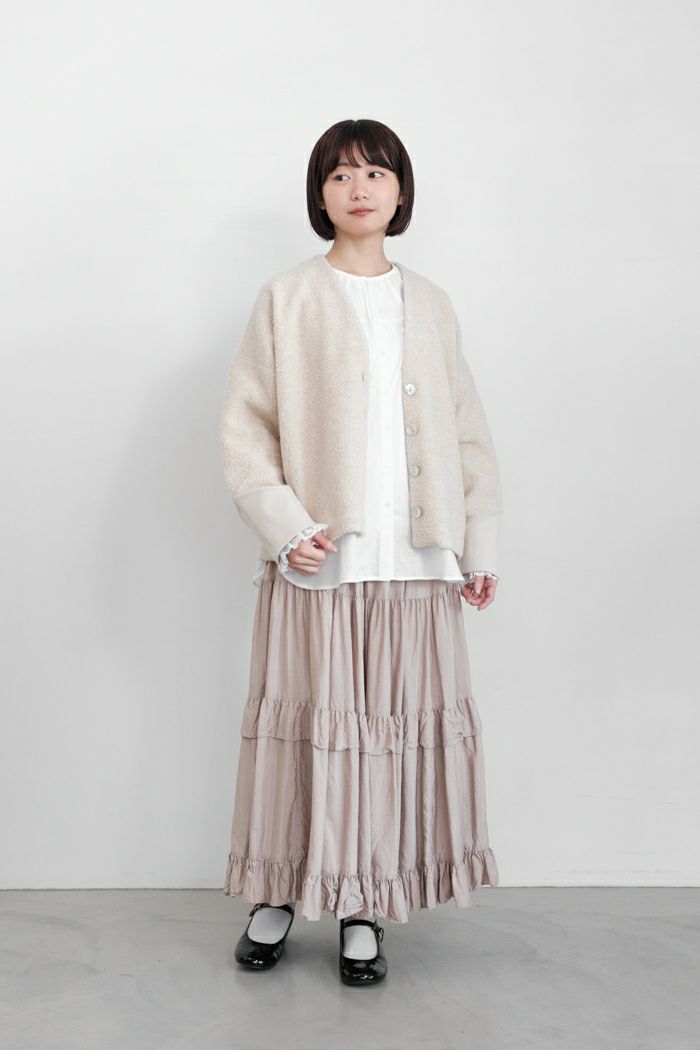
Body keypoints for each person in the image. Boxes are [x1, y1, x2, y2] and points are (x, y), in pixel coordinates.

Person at [218, 118, 503, 986]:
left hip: (414, 569)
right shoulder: (287, 298)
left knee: (384, 743)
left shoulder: (433, 303)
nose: (359, 189)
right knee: (306, 735)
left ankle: (363, 906)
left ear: (401, 191)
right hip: (322, 565)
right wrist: (285, 527)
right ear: (320, 195)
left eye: (376, 173)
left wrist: (477, 545)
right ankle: (276, 893)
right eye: (340, 175)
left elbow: (465, 431)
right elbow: (247, 429)